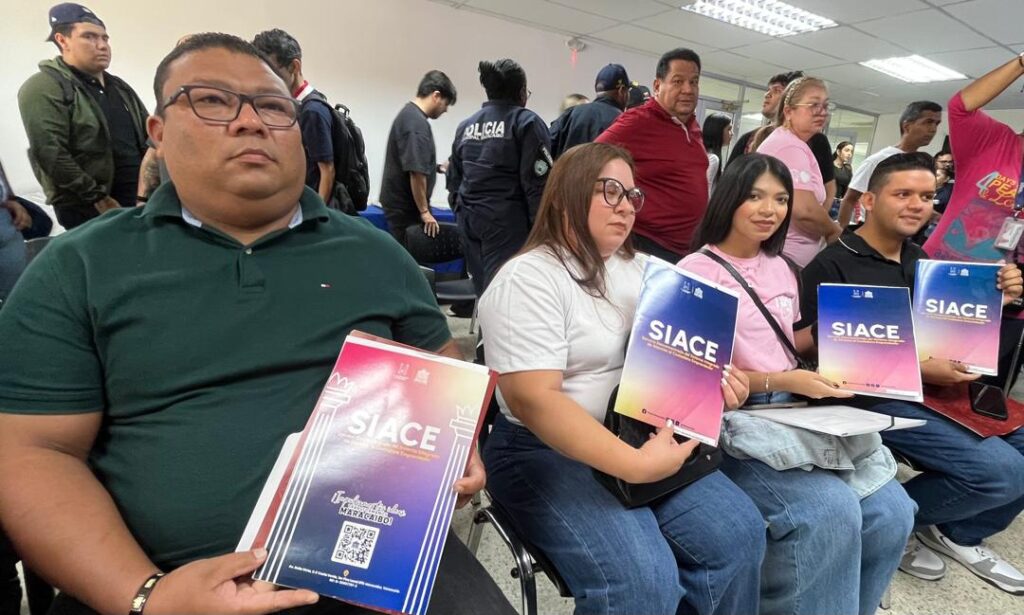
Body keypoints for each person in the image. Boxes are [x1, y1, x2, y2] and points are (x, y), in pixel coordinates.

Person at [0, 33, 515, 615]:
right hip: (157, 578)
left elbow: (441, 370)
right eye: (211, 101)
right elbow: (33, 453)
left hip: (376, 558)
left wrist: (452, 444)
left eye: (273, 106)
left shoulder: (375, 254)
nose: (250, 121)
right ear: (158, 133)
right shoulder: (82, 265)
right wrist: (145, 594)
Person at [479, 142, 765, 615]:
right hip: (542, 449)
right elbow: (533, 400)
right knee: (642, 580)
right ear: (566, 195)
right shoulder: (529, 278)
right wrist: (634, 465)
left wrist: (715, 389)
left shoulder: (652, 272)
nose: (627, 206)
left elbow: (686, 367)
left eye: (632, 195)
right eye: (610, 190)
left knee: (739, 535)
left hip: (637, 432)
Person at [679, 153, 916, 615]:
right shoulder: (696, 273)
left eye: (781, 199)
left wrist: (849, 331)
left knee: (893, 513)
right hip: (740, 419)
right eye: (755, 196)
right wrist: (787, 379)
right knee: (830, 513)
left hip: (799, 408)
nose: (769, 210)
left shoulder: (782, 266)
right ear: (728, 198)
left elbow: (791, 341)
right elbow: (700, 376)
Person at [797, 152, 1024, 595]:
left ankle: (958, 531)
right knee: (1001, 471)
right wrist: (919, 366)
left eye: (925, 195)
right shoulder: (833, 264)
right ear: (869, 200)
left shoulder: (922, 262)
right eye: (902, 194)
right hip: (870, 396)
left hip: (929, 388)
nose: (917, 204)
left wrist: (994, 298)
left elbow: (946, 331)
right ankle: (891, 523)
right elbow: (818, 356)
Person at [17, 2, 148, 230]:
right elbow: (51, 153)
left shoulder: (119, 87)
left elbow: (149, 137)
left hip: (140, 203)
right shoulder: (44, 87)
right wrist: (98, 198)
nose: (102, 45)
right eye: (89, 37)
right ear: (62, 40)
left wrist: (150, 190)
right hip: (89, 209)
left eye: (105, 38)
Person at [448, 58, 552, 296]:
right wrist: (542, 234)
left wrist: (461, 210)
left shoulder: (466, 126)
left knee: (484, 291)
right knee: (506, 295)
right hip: (508, 225)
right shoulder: (527, 123)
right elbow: (537, 185)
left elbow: (453, 179)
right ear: (521, 92)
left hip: (470, 221)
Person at [596, 48, 709, 262]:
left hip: (685, 250)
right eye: (678, 81)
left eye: (693, 82)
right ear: (657, 85)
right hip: (646, 247)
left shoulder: (693, 127)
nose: (688, 89)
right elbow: (588, 160)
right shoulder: (638, 121)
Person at [923, 54, 1024, 265]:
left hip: (997, 279)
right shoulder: (996, 141)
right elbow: (960, 108)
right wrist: (1021, 63)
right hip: (940, 267)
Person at [755, 77, 842, 267]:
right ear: (788, 112)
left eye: (826, 105)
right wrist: (834, 232)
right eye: (814, 105)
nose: (822, 112)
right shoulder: (789, 146)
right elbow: (804, 211)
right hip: (783, 259)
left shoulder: (791, 142)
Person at [253, 28, 338, 206]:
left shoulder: (312, 111)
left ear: (294, 67)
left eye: (273, 72)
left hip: (309, 206)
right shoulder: (291, 105)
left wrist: (318, 212)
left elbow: (327, 171)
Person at [726, 71, 837, 207]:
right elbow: (729, 182)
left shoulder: (816, 140)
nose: (767, 95)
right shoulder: (751, 138)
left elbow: (828, 189)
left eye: (777, 90)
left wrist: (821, 218)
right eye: (768, 90)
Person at [379, 70, 457, 246]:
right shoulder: (415, 124)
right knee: (410, 258)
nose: (446, 110)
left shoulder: (410, 117)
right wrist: (424, 211)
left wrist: (438, 168)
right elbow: (415, 172)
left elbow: (412, 161)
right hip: (407, 211)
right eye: (446, 104)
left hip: (402, 207)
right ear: (436, 96)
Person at [837, 101, 942, 227]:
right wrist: (841, 232)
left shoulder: (922, 164)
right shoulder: (877, 161)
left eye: (937, 124)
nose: (933, 129)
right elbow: (850, 199)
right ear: (907, 126)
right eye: (928, 122)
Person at [549, 63, 630, 159]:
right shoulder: (622, 121)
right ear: (621, 91)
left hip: (568, 168)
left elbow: (548, 145)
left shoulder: (571, 113)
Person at [703, 113, 733, 195]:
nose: (732, 133)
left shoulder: (704, 153)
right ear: (718, 131)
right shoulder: (712, 158)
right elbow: (706, 190)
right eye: (729, 129)